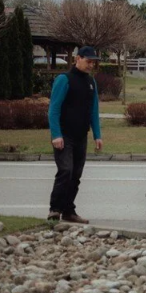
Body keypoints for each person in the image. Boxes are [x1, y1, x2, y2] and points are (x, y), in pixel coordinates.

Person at [47, 46, 104, 224]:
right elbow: (53, 109)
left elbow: (93, 110)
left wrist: (97, 135)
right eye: (88, 61)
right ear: (78, 58)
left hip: (81, 136)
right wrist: (56, 134)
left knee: (76, 175)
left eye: (93, 62)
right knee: (65, 171)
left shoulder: (91, 82)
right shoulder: (64, 79)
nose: (91, 65)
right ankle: (55, 210)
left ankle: (68, 211)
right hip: (64, 135)